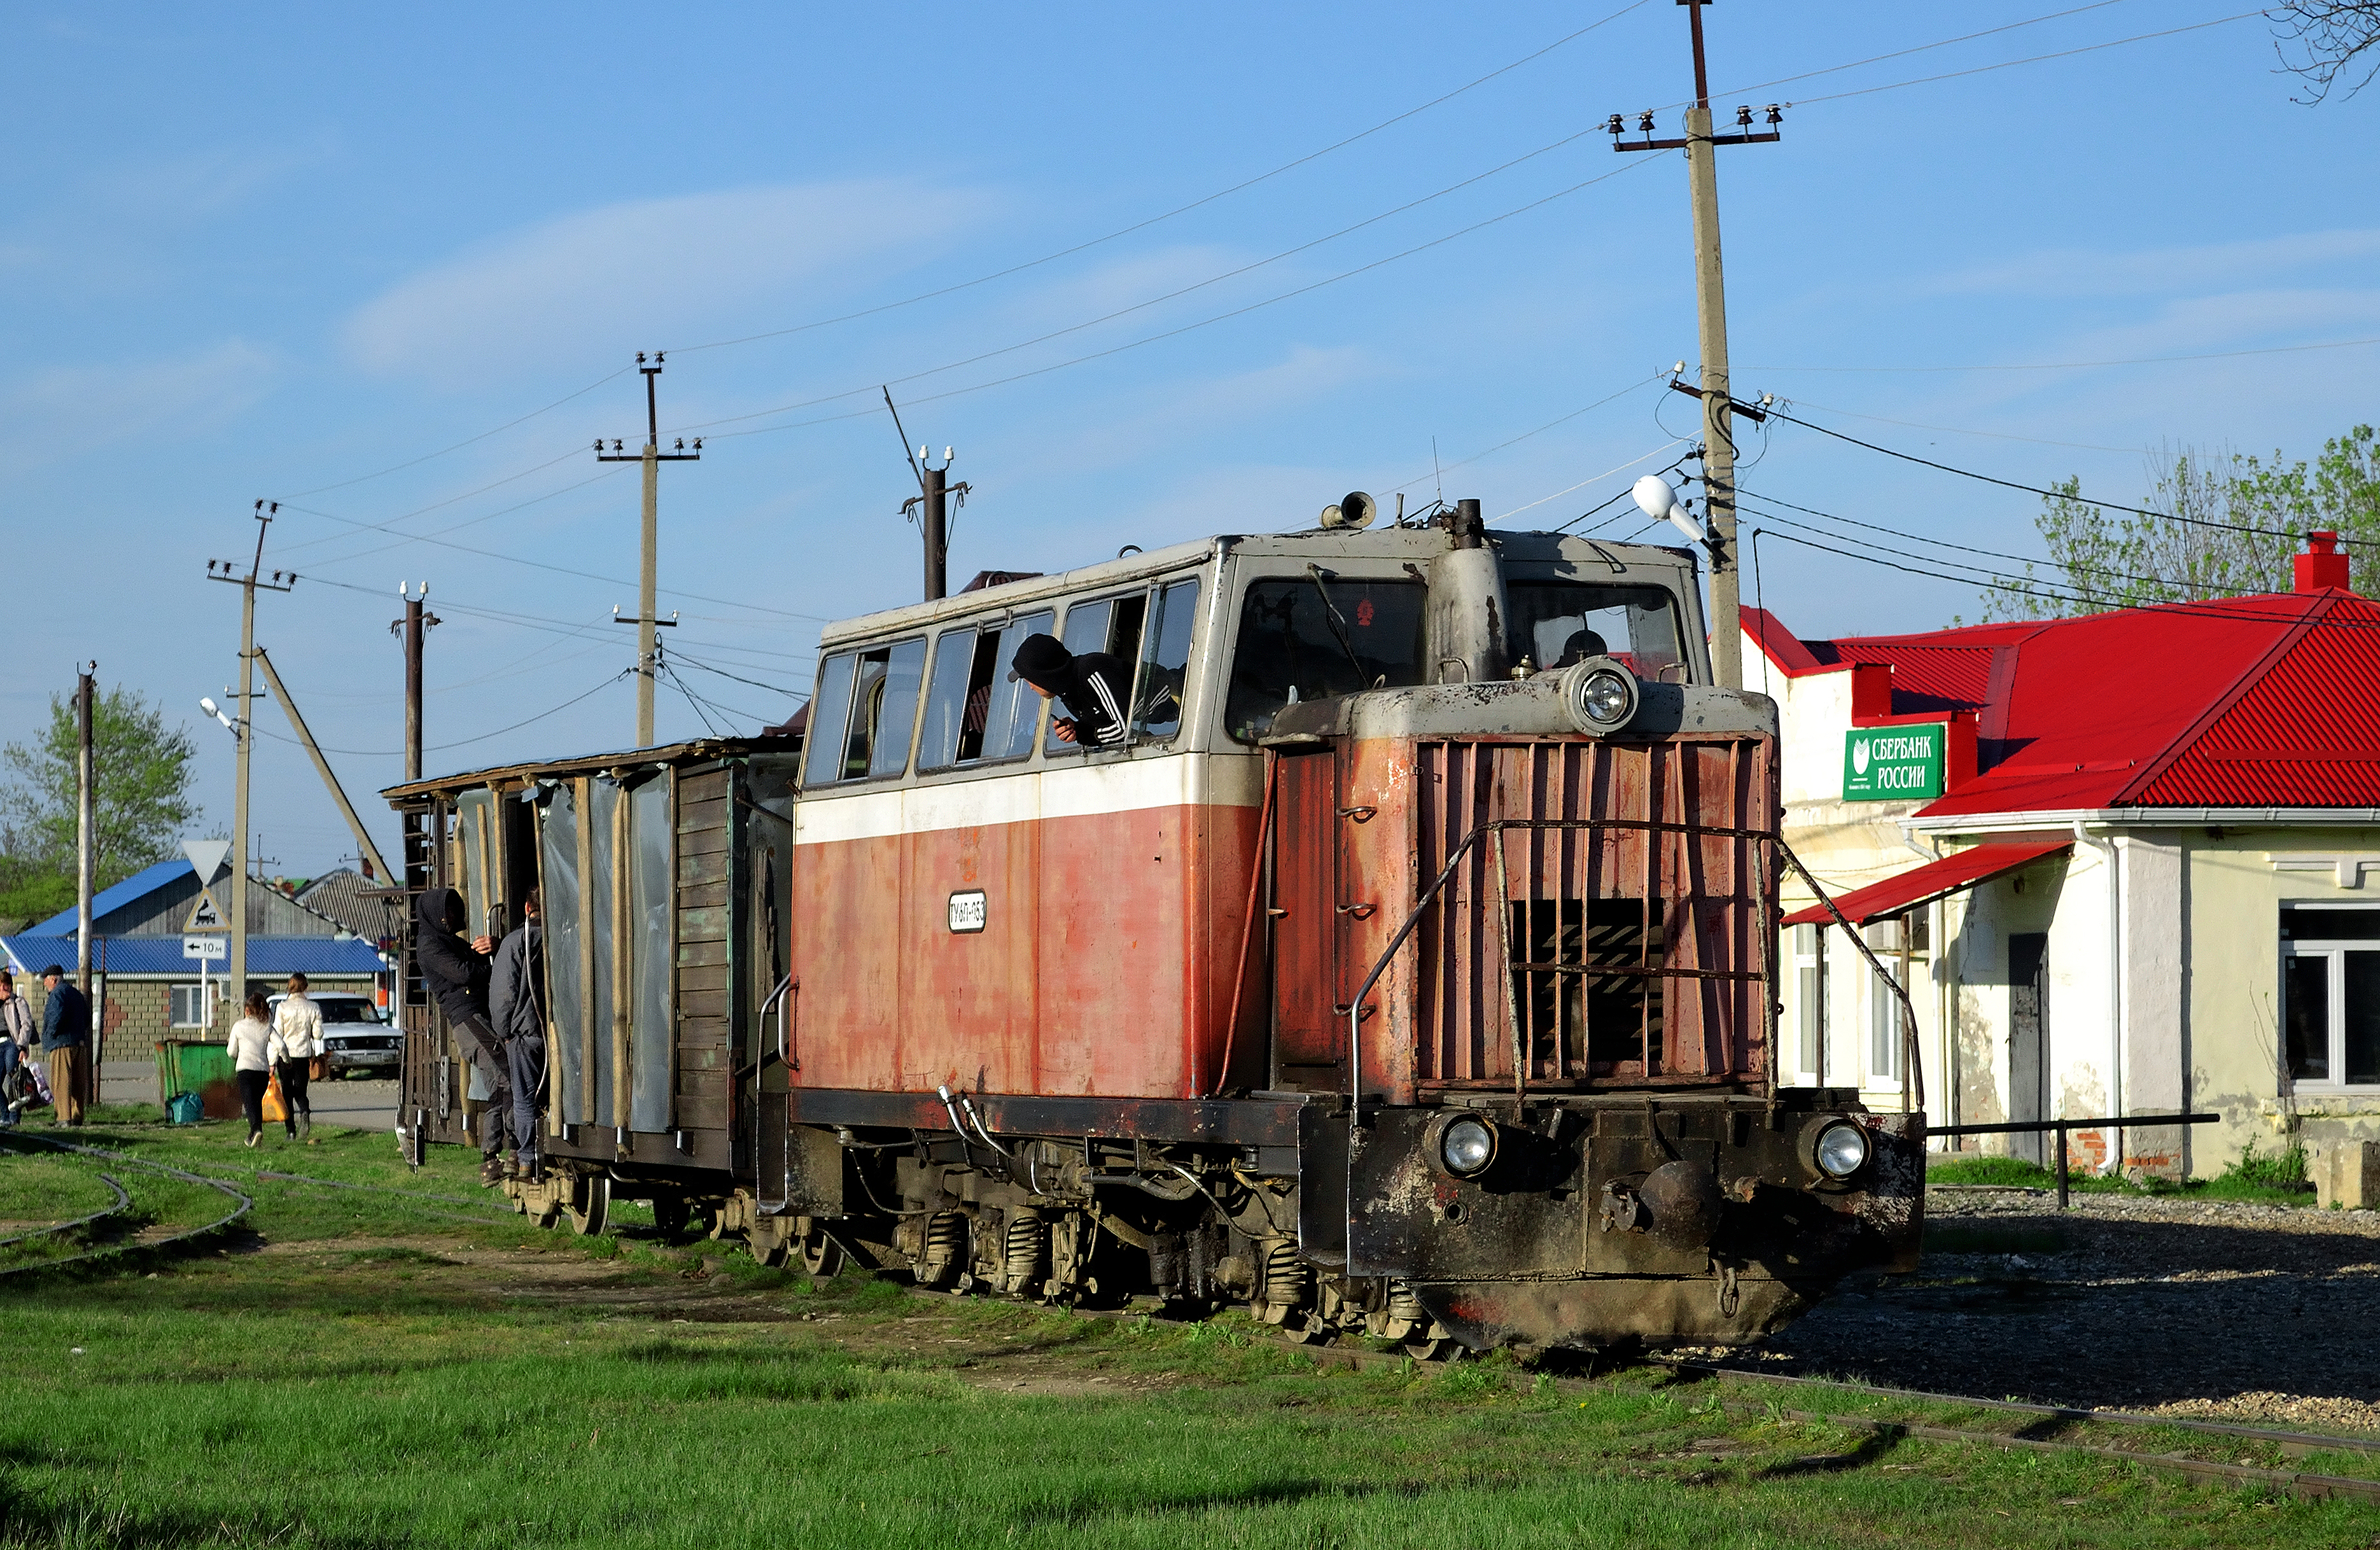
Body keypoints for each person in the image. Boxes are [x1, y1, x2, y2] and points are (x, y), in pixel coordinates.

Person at [414, 888, 510, 1185]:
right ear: (435, 915)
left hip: (479, 1017)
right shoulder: (430, 946)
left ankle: (496, 1154)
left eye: (457, 910)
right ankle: (503, 1154)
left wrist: (493, 948)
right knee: (506, 1077)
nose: (455, 916)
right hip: (469, 1021)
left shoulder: (449, 941)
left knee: (499, 1085)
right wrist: (497, 968)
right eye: (449, 911)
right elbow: (463, 973)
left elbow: (473, 962)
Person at [488, 889, 545, 1182]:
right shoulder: (564, 937)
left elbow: (503, 997)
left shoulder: (515, 942)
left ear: (526, 907)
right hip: (556, 1036)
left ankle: (528, 1162)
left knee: (525, 1100)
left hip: (524, 1035)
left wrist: (504, 1032)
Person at [1008, 632, 1131, 748]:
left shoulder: (1092, 671)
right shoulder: (1069, 694)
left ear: (1043, 674)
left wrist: (1090, 735)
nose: (1031, 687)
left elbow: (1127, 729)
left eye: (1029, 680)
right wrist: (1077, 730)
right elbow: (1106, 725)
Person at [270, 972, 323, 1143]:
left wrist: (271, 1062)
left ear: (290, 987)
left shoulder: (282, 1007)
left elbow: (277, 1035)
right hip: (303, 1054)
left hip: (285, 1055)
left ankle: (290, 1132)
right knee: (301, 1090)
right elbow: (318, 1034)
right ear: (305, 987)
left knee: (287, 1093)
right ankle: (305, 1110)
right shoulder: (313, 1007)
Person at [38, 965, 90, 1126]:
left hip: (62, 1045)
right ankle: (77, 1116)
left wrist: (50, 1035)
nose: (45, 985)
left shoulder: (57, 994)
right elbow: (87, 1018)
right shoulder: (76, 994)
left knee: (61, 1083)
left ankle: (63, 1117)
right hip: (79, 1044)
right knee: (77, 1084)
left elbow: (56, 1017)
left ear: (53, 979)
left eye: (46, 981)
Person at [226, 991, 275, 1149]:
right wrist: (286, 1061)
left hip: (245, 1070)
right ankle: (252, 1136)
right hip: (262, 1071)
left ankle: (256, 1130)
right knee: (256, 1103)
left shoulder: (239, 1026)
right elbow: (281, 1045)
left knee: (250, 1103)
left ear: (247, 1010)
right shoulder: (267, 1027)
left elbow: (231, 1052)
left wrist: (238, 1056)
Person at [0, 970, 33, 1128]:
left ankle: (15, 1117)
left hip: (12, 1043)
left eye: (7, 986)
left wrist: (22, 1046)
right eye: (2, 987)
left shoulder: (17, 1002)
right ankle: (5, 1114)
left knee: (14, 1080)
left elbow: (26, 1025)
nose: (5, 990)